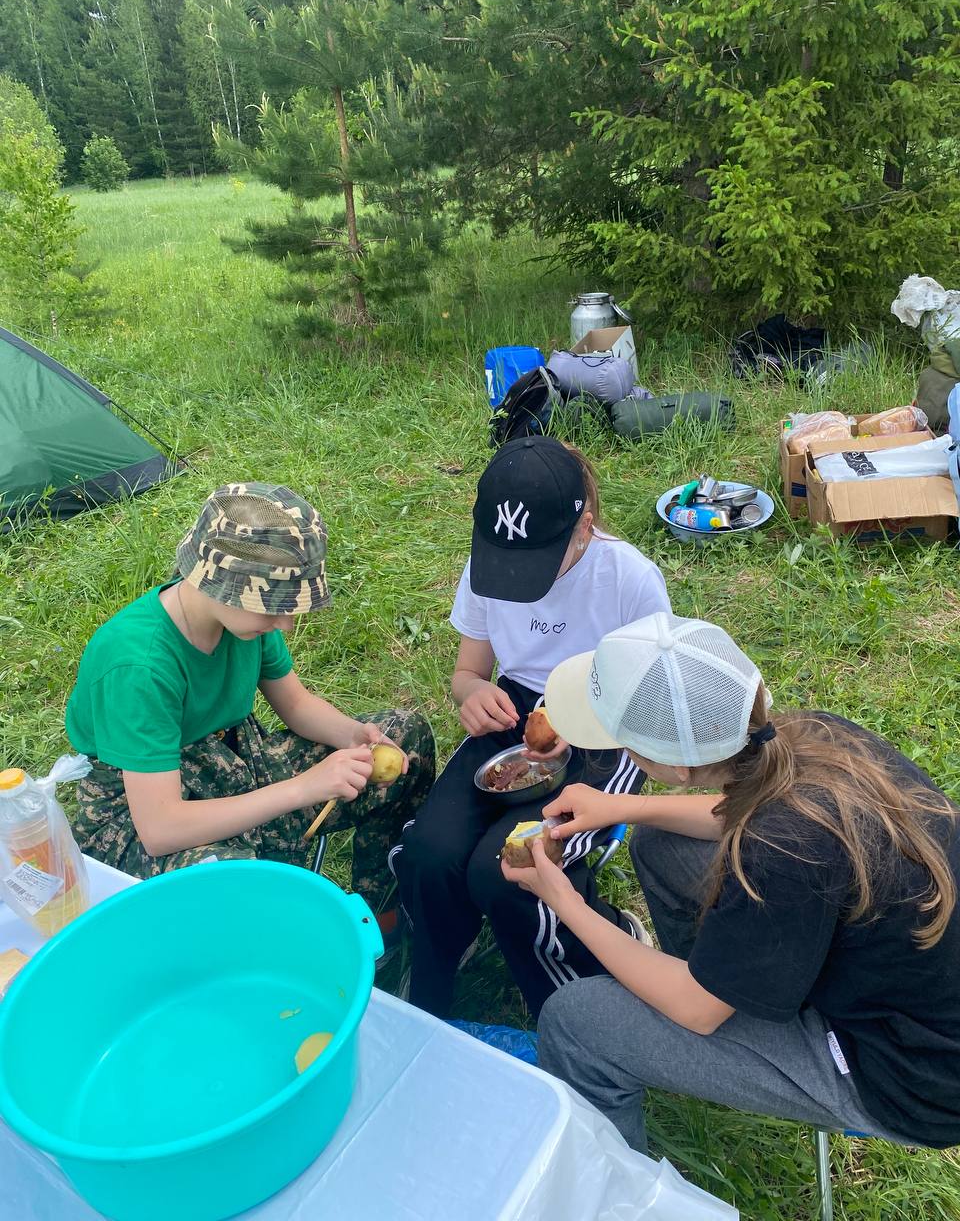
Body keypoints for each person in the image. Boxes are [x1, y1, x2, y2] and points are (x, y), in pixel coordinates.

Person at [502, 613, 960, 1153]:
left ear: (679, 768)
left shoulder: (781, 853)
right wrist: (621, 806)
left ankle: (618, 1191)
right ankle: (726, 989)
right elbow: (744, 810)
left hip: (909, 1073)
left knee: (578, 1020)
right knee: (659, 843)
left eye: (624, 744)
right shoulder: (813, 735)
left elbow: (697, 1007)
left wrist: (564, 900)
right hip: (904, 973)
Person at [66, 482, 435, 922]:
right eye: (273, 607)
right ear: (219, 585)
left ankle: (382, 916)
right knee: (243, 888)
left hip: (237, 761)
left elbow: (295, 705)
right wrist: (305, 787)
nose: (284, 623)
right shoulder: (138, 666)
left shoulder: (244, 624)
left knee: (406, 735)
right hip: (137, 814)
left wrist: (355, 737)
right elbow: (160, 828)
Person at [393, 437, 671, 1018]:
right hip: (517, 708)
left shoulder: (628, 580)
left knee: (511, 870)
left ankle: (577, 988)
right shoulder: (486, 563)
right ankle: (438, 979)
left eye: (534, 565)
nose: (517, 579)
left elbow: (650, 700)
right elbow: (469, 671)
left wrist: (588, 717)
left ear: (584, 529)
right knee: (428, 849)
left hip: (605, 725)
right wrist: (472, 695)